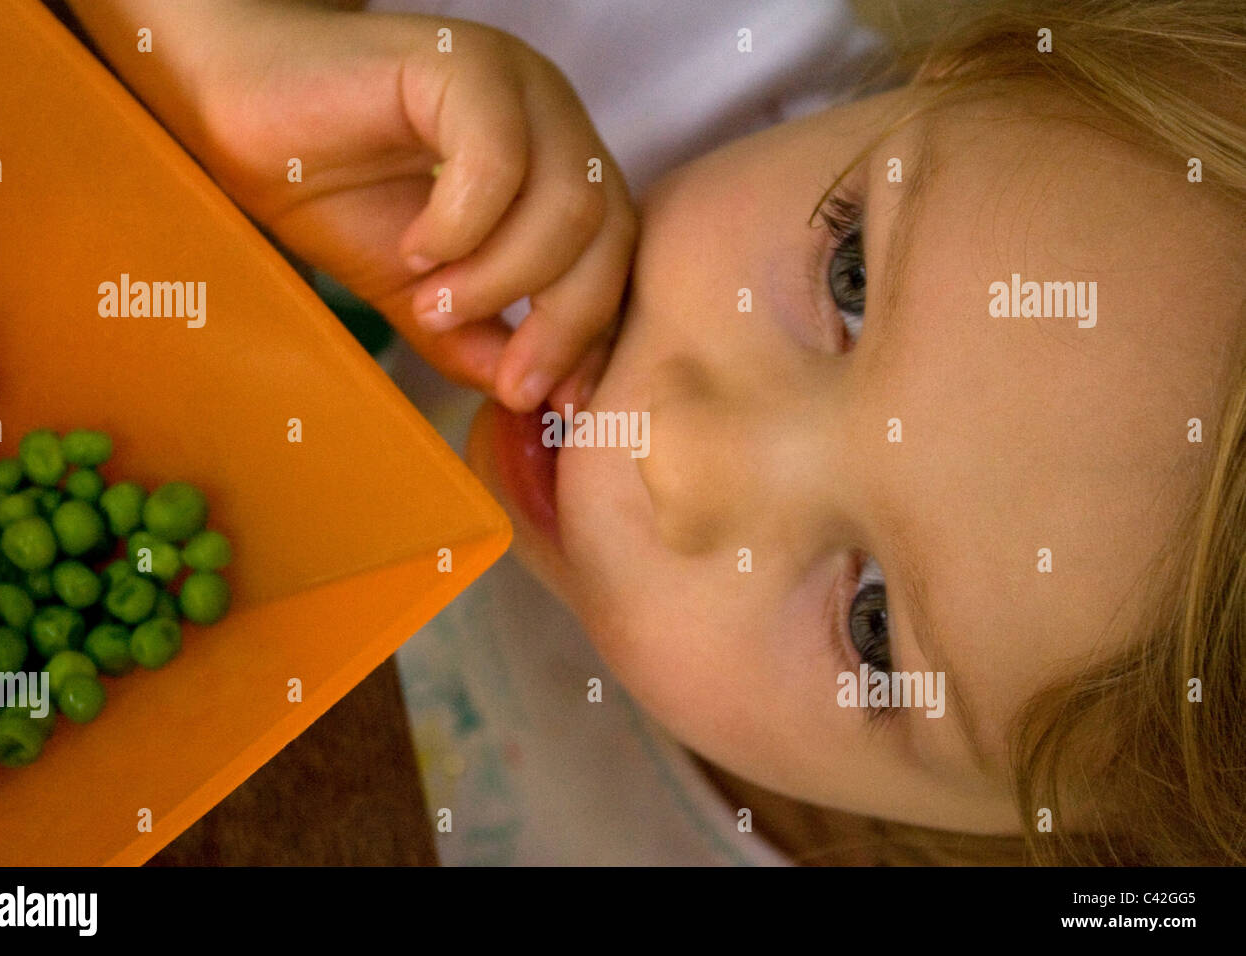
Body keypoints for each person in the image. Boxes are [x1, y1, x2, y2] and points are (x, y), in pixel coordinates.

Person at [69, 0, 1246, 864]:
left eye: (875, 623)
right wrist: (195, 50)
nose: (677, 446)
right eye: (849, 273)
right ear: (945, 77)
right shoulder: (657, 41)